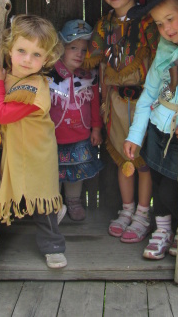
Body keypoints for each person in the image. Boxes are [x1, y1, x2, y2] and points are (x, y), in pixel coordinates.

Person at [0, 14, 68, 269]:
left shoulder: (34, 87)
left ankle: (53, 247)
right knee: (20, 190)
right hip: (17, 151)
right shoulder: (11, 76)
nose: (28, 59)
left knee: (42, 199)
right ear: (9, 49)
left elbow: (2, 114)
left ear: (47, 59)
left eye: (37, 54)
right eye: (21, 51)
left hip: (37, 154)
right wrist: (0, 80)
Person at [85, 0, 159, 243]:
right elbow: (98, 64)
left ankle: (143, 213)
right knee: (121, 157)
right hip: (115, 103)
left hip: (145, 102)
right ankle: (127, 210)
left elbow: (160, 61)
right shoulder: (104, 26)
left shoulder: (148, 21)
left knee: (143, 161)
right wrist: (104, 101)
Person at [123, 0, 178, 260]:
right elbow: (148, 95)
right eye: (159, 24)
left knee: (173, 188)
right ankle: (162, 231)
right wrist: (135, 135)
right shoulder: (164, 50)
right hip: (158, 129)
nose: (166, 29)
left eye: (170, 19)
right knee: (158, 183)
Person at [49, 19, 104, 221]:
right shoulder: (50, 76)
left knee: (76, 171)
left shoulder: (88, 76)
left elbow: (95, 103)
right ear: (61, 48)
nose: (79, 54)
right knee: (53, 172)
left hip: (80, 136)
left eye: (84, 49)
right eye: (73, 48)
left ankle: (73, 201)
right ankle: (53, 204)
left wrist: (96, 128)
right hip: (53, 137)